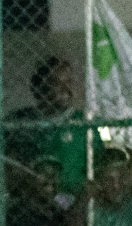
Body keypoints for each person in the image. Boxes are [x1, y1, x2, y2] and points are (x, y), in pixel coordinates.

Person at [11, 57, 88, 199]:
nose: (67, 89)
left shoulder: (83, 123)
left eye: (69, 82)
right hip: (31, 205)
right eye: (57, 83)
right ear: (41, 88)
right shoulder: (21, 121)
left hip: (74, 206)